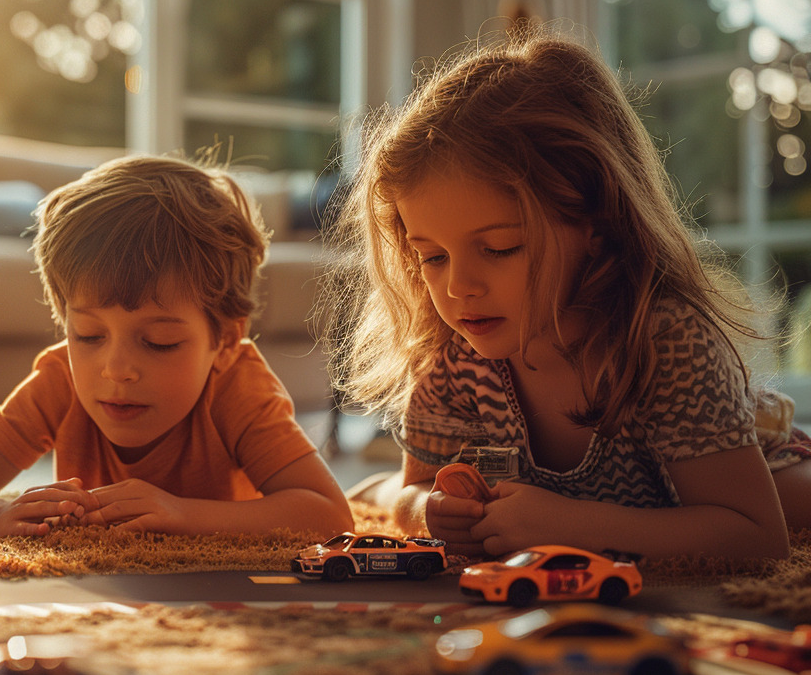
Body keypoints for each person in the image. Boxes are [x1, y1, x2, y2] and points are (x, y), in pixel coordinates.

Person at [327, 29, 811, 564]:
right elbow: (417, 488)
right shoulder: (452, 358)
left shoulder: (666, 341)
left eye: (500, 248)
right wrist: (427, 510)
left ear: (597, 224)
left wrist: (571, 526)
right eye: (433, 257)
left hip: (756, 460)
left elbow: (756, 538)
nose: (457, 286)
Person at [0, 154, 353, 538]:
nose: (115, 369)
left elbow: (328, 515)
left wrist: (182, 514)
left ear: (226, 338)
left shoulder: (237, 388)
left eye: (159, 342)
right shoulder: (60, 382)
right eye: (89, 336)